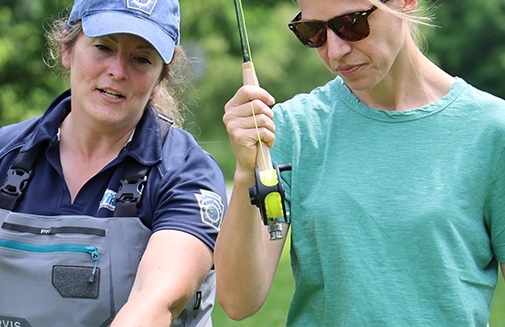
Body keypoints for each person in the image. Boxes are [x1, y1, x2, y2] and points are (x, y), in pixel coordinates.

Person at [215, 0, 505, 325]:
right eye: (314, 32)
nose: (336, 51)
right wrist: (245, 173)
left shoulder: (493, 130)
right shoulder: (290, 130)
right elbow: (239, 301)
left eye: (352, 23)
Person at [0, 0, 226, 326]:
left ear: (162, 75)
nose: (118, 71)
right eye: (103, 47)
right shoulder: (6, 154)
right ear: (67, 48)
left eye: (141, 59)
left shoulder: (186, 173)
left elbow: (157, 301)